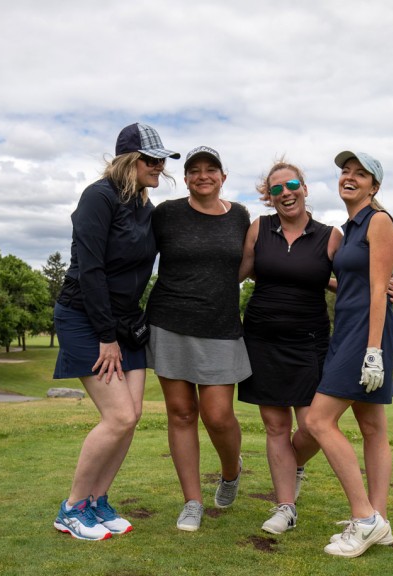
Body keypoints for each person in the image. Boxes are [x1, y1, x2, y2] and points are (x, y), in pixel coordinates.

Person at [238, 160, 393, 536]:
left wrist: (390, 288)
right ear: (268, 196)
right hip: (263, 339)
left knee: (313, 424)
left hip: (312, 341)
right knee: (275, 425)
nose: (285, 192)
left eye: (291, 184)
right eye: (276, 188)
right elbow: (239, 271)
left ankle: (359, 510)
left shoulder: (333, 235)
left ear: (305, 188)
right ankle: (286, 507)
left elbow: (358, 277)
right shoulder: (259, 229)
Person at [52, 123, 180, 540]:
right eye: (152, 159)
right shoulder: (98, 197)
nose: (159, 166)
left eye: (162, 159)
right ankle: (71, 508)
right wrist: (106, 336)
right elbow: (90, 270)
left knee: (132, 417)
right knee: (119, 415)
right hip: (86, 318)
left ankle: (96, 501)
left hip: (126, 322)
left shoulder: (144, 204)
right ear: (129, 160)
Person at [145, 146, 252, 532]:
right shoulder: (166, 213)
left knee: (219, 416)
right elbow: (134, 254)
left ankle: (230, 471)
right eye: (193, 170)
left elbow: (262, 260)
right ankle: (192, 501)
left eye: (211, 169)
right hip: (169, 321)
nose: (202, 175)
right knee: (181, 413)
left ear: (223, 176)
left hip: (220, 326)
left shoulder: (240, 215)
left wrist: (338, 282)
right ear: (186, 178)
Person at [307, 150, 393, 558]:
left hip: (366, 334)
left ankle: (365, 519)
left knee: (318, 419)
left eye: (360, 174)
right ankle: (381, 520)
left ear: (374, 187)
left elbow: (379, 289)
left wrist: (373, 350)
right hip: (350, 329)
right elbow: (355, 282)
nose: (350, 177)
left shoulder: (378, 221)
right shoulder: (348, 228)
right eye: (346, 171)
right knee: (372, 424)